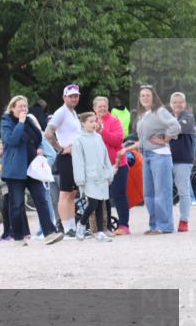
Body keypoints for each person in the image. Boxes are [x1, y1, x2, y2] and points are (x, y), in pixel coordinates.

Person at [0, 96, 64, 246]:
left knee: (41, 200)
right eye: (20, 106)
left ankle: (49, 233)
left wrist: (39, 148)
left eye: (25, 106)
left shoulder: (28, 121)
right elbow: (12, 140)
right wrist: (20, 122)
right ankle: (19, 237)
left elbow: (38, 137)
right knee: (17, 204)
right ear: (12, 108)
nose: (23, 109)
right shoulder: (6, 122)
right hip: (15, 171)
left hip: (32, 169)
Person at [123, 86, 180, 234]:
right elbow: (144, 140)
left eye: (148, 95)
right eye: (142, 95)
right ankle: (154, 225)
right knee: (148, 193)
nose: (145, 98)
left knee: (162, 191)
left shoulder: (160, 111)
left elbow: (176, 126)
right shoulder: (144, 115)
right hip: (146, 155)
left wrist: (165, 138)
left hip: (160, 155)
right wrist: (127, 148)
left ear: (153, 97)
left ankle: (165, 226)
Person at [45, 84, 82, 237]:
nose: (74, 98)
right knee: (65, 193)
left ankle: (72, 225)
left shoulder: (72, 113)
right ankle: (66, 227)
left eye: (76, 96)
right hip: (66, 157)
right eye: (71, 96)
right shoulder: (61, 112)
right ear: (64, 97)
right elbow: (48, 133)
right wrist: (60, 148)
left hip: (75, 157)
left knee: (72, 193)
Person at [72, 112, 115, 242]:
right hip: (88, 177)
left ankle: (100, 231)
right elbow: (78, 161)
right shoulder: (78, 139)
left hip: (101, 175)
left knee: (100, 202)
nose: (93, 124)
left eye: (94, 121)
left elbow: (105, 156)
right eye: (90, 121)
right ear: (83, 123)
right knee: (93, 203)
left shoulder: (98, 137)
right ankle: (82, 224)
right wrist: (80, 180)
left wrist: (109, 173)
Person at [95, 96, 131, 235]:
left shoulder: (115, 121)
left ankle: (123, 225)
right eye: (100, 106)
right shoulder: (92, 122)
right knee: (102, 197)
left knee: (119, 195)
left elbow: (117, 141)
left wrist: (102, 131)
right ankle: (105, 225)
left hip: (118, 164)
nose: (103, 108)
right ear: (94, 108)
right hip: (100, 166)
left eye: (105, 106)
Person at [169, 92, 196, 232]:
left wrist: (165, 133)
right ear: (171, 104)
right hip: (166, 159)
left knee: (183, 191)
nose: (177, 104)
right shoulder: (168, 117)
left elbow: (178, 129)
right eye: (175, 102)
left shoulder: (189, 117)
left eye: (180, 102)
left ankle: (184, 221)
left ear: (184, 104)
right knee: (165, 191)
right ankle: (166, 221)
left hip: (183, 160)